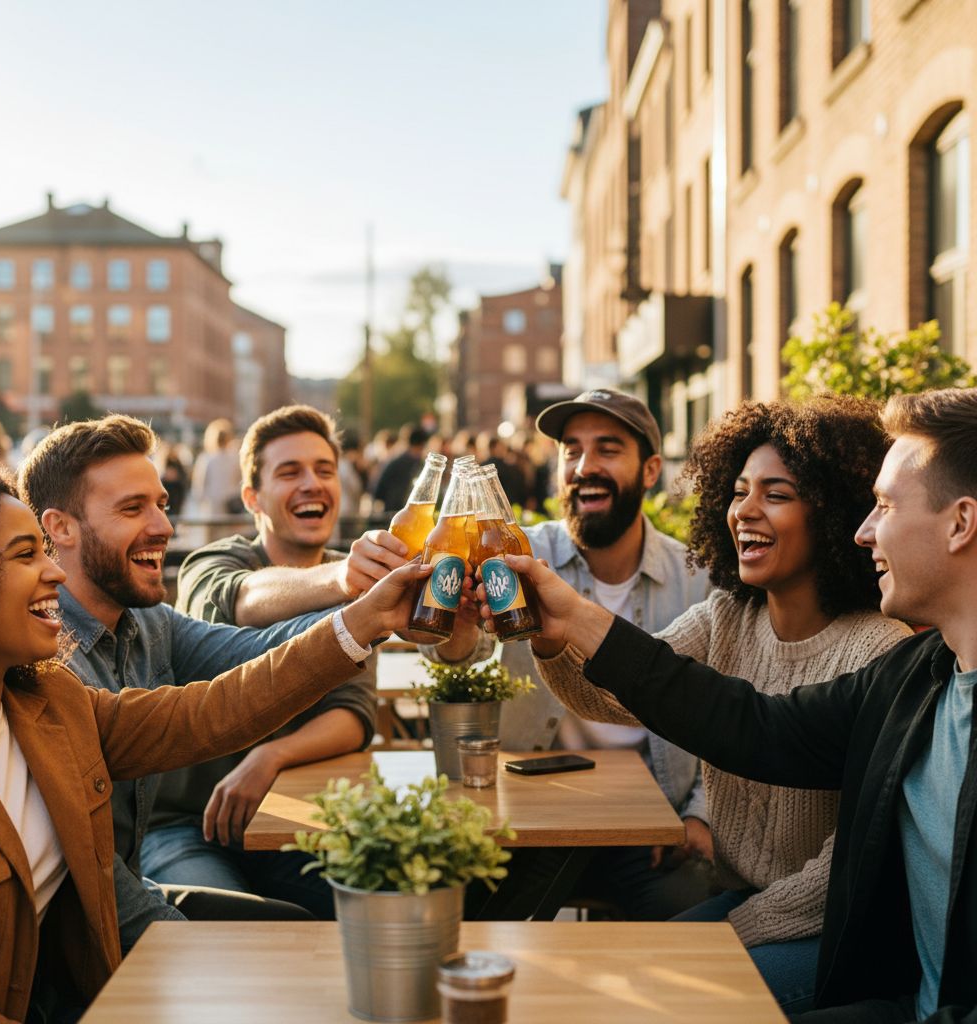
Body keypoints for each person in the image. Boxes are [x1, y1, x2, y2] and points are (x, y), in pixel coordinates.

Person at [497, 386, 977, 1024]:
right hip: (750, 905)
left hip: (818, 929)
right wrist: (557, 629)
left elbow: (849, 869)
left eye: (885, 506)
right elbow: (734, 720)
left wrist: (723, 938)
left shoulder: (881, 652)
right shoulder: (912, 672)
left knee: (643, 995)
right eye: (739, 490)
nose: (867, 530)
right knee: (608, 983)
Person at [0, 454, 426, 1023]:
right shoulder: (61, 676)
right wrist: (196, 963)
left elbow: (215, 710)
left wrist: (365, 620)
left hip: (84, 965)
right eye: (26, 555)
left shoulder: (48, 702)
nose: (52, 573)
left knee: (303, 944)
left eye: (162, 505)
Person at [15, 415, 353, 941]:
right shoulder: (43, 663)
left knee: (299, 930)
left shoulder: (147, 621)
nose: (164, 527)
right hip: (79, 940)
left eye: (162, 505)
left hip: (135, 884)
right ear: (60, 528)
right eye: (133, 508)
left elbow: (260, 654)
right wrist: (191, 948)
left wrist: (373, 613)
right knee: (267, 951)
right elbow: (89, 891)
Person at [432, 387, 713, 920]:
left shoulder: (696, 578)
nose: (586, 466)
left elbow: (722, 712)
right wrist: (459, 630)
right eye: (571, 451)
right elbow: (461, 658)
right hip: (530, 816)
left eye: (608, 449)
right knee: (472, 921)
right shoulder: (514, 553)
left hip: (651, 824)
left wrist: (699, 816)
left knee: (688, 925)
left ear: (650, 470)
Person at [143, 405, 401, 910]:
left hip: (290, 817)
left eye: (324, 470)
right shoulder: (212, 562)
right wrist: (345, 582)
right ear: (252, 498)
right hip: (186, 823)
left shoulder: (353, 582)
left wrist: (271, 756)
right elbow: (243, 598)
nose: (312, 483)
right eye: (290, 472)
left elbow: (353, 714)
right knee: (234, 930)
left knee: (384, 903)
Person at [190, 418, 242, 515]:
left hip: (212, 506)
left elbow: (199, 486)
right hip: (232, 505)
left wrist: (200, 503)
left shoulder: (206, 459)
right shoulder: (235, 458)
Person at [372, 424, 429, 513]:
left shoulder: (394, 462)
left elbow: (378, 491)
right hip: (403, 511)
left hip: (393, 512)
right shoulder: (420, 465)